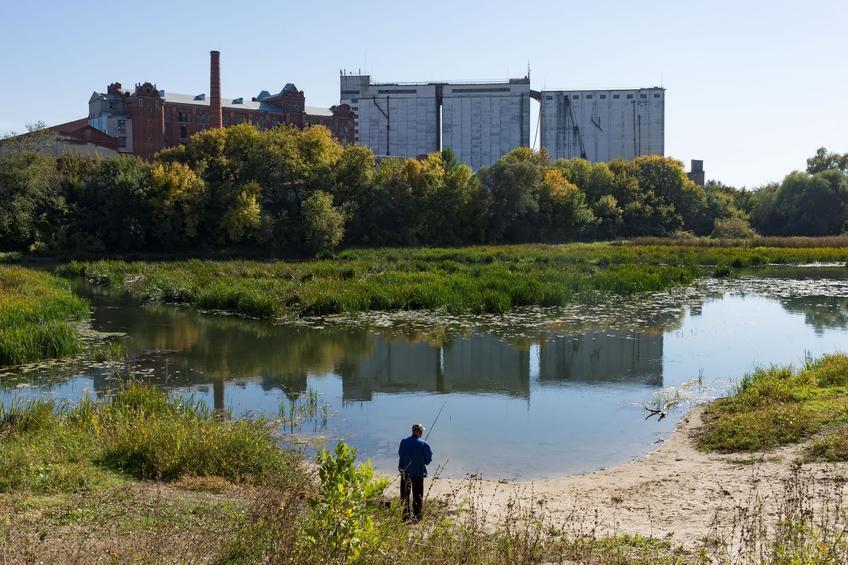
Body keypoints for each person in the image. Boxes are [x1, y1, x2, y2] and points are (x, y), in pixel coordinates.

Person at [398, 423, 432, 522]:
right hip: (418, 474)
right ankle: (417, 517)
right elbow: (428, 460)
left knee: (404, 495)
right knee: (417, 496)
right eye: (422, 431)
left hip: (405, 473)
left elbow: (400, 453)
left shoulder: (404, 442)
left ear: (412, 431)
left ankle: (405, 517)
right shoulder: (424, 444)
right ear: (420, 432)